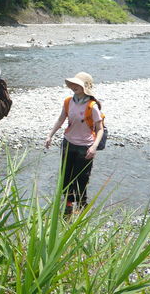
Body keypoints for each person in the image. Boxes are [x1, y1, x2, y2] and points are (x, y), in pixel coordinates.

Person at [44, 72, 104, 216]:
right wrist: (50, 135)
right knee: (65, 175)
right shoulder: (68, 101)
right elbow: (61, 119)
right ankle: (68, 204)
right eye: (73, 84)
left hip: (86, 147)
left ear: (85, 87)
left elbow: (100, 129)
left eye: (78, 84)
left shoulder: (92, 106)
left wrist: (94, 147)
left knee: (82, 178)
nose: (74, 86)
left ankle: (82, 205)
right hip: (68, 143)